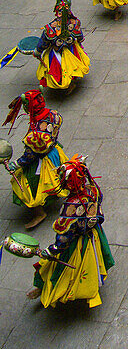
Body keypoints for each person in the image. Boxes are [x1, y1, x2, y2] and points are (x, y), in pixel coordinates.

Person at [28, 155, 113, 308]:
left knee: (56, 269)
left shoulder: (70, 208)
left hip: (76, 243)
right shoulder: (92, 190)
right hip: (94, 234)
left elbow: (63, 240)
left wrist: (50, 251)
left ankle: (56, 291)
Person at [2, 88, 67, 230]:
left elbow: (30, 155)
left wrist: (16, 164)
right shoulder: (53, 114)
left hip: (42, 160)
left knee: (27, 185)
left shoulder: (37, 132)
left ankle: (39, 212)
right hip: (54, 152)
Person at [35, 0, 90, 92]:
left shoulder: (50, 29)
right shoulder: (74, 23)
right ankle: (71, 80)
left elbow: (43, 43)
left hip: (57, 51)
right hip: (71, 49)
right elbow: (80, 36)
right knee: (72, 65)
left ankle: (67, 83)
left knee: (59, 69)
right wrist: (79, 42)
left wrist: (37, 52)